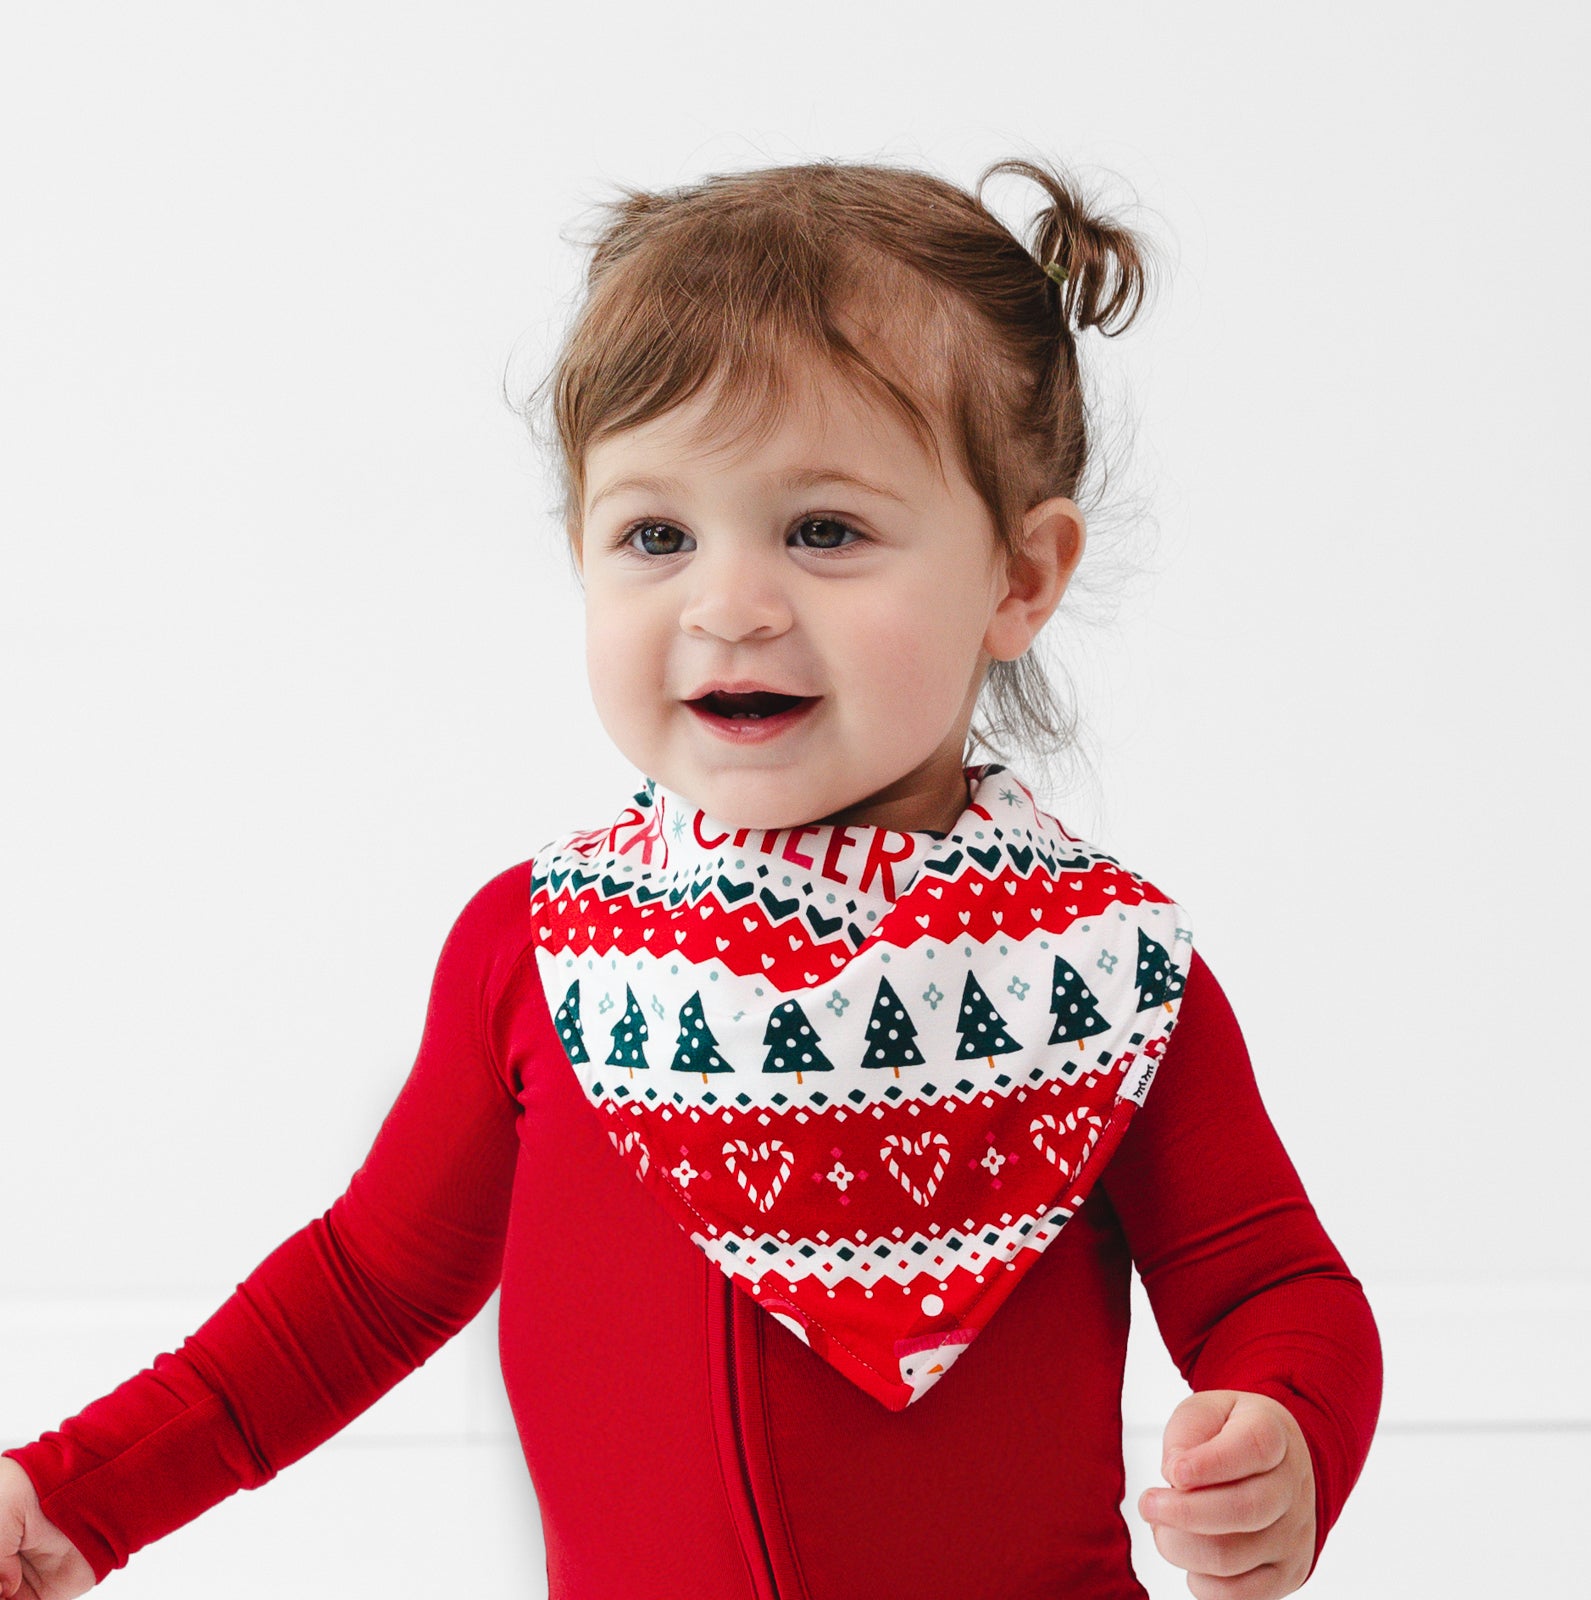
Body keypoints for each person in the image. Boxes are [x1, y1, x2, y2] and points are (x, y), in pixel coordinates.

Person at [0, 155, 1382, 1600]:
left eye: (824, 530)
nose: (729, 604)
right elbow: (363, 1292)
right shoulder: (541, 952)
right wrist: (75, 1496)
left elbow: (1277, 1289)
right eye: (657, 534)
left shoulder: (1105, 979)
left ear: (1019, 580)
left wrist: (1284, 1427)